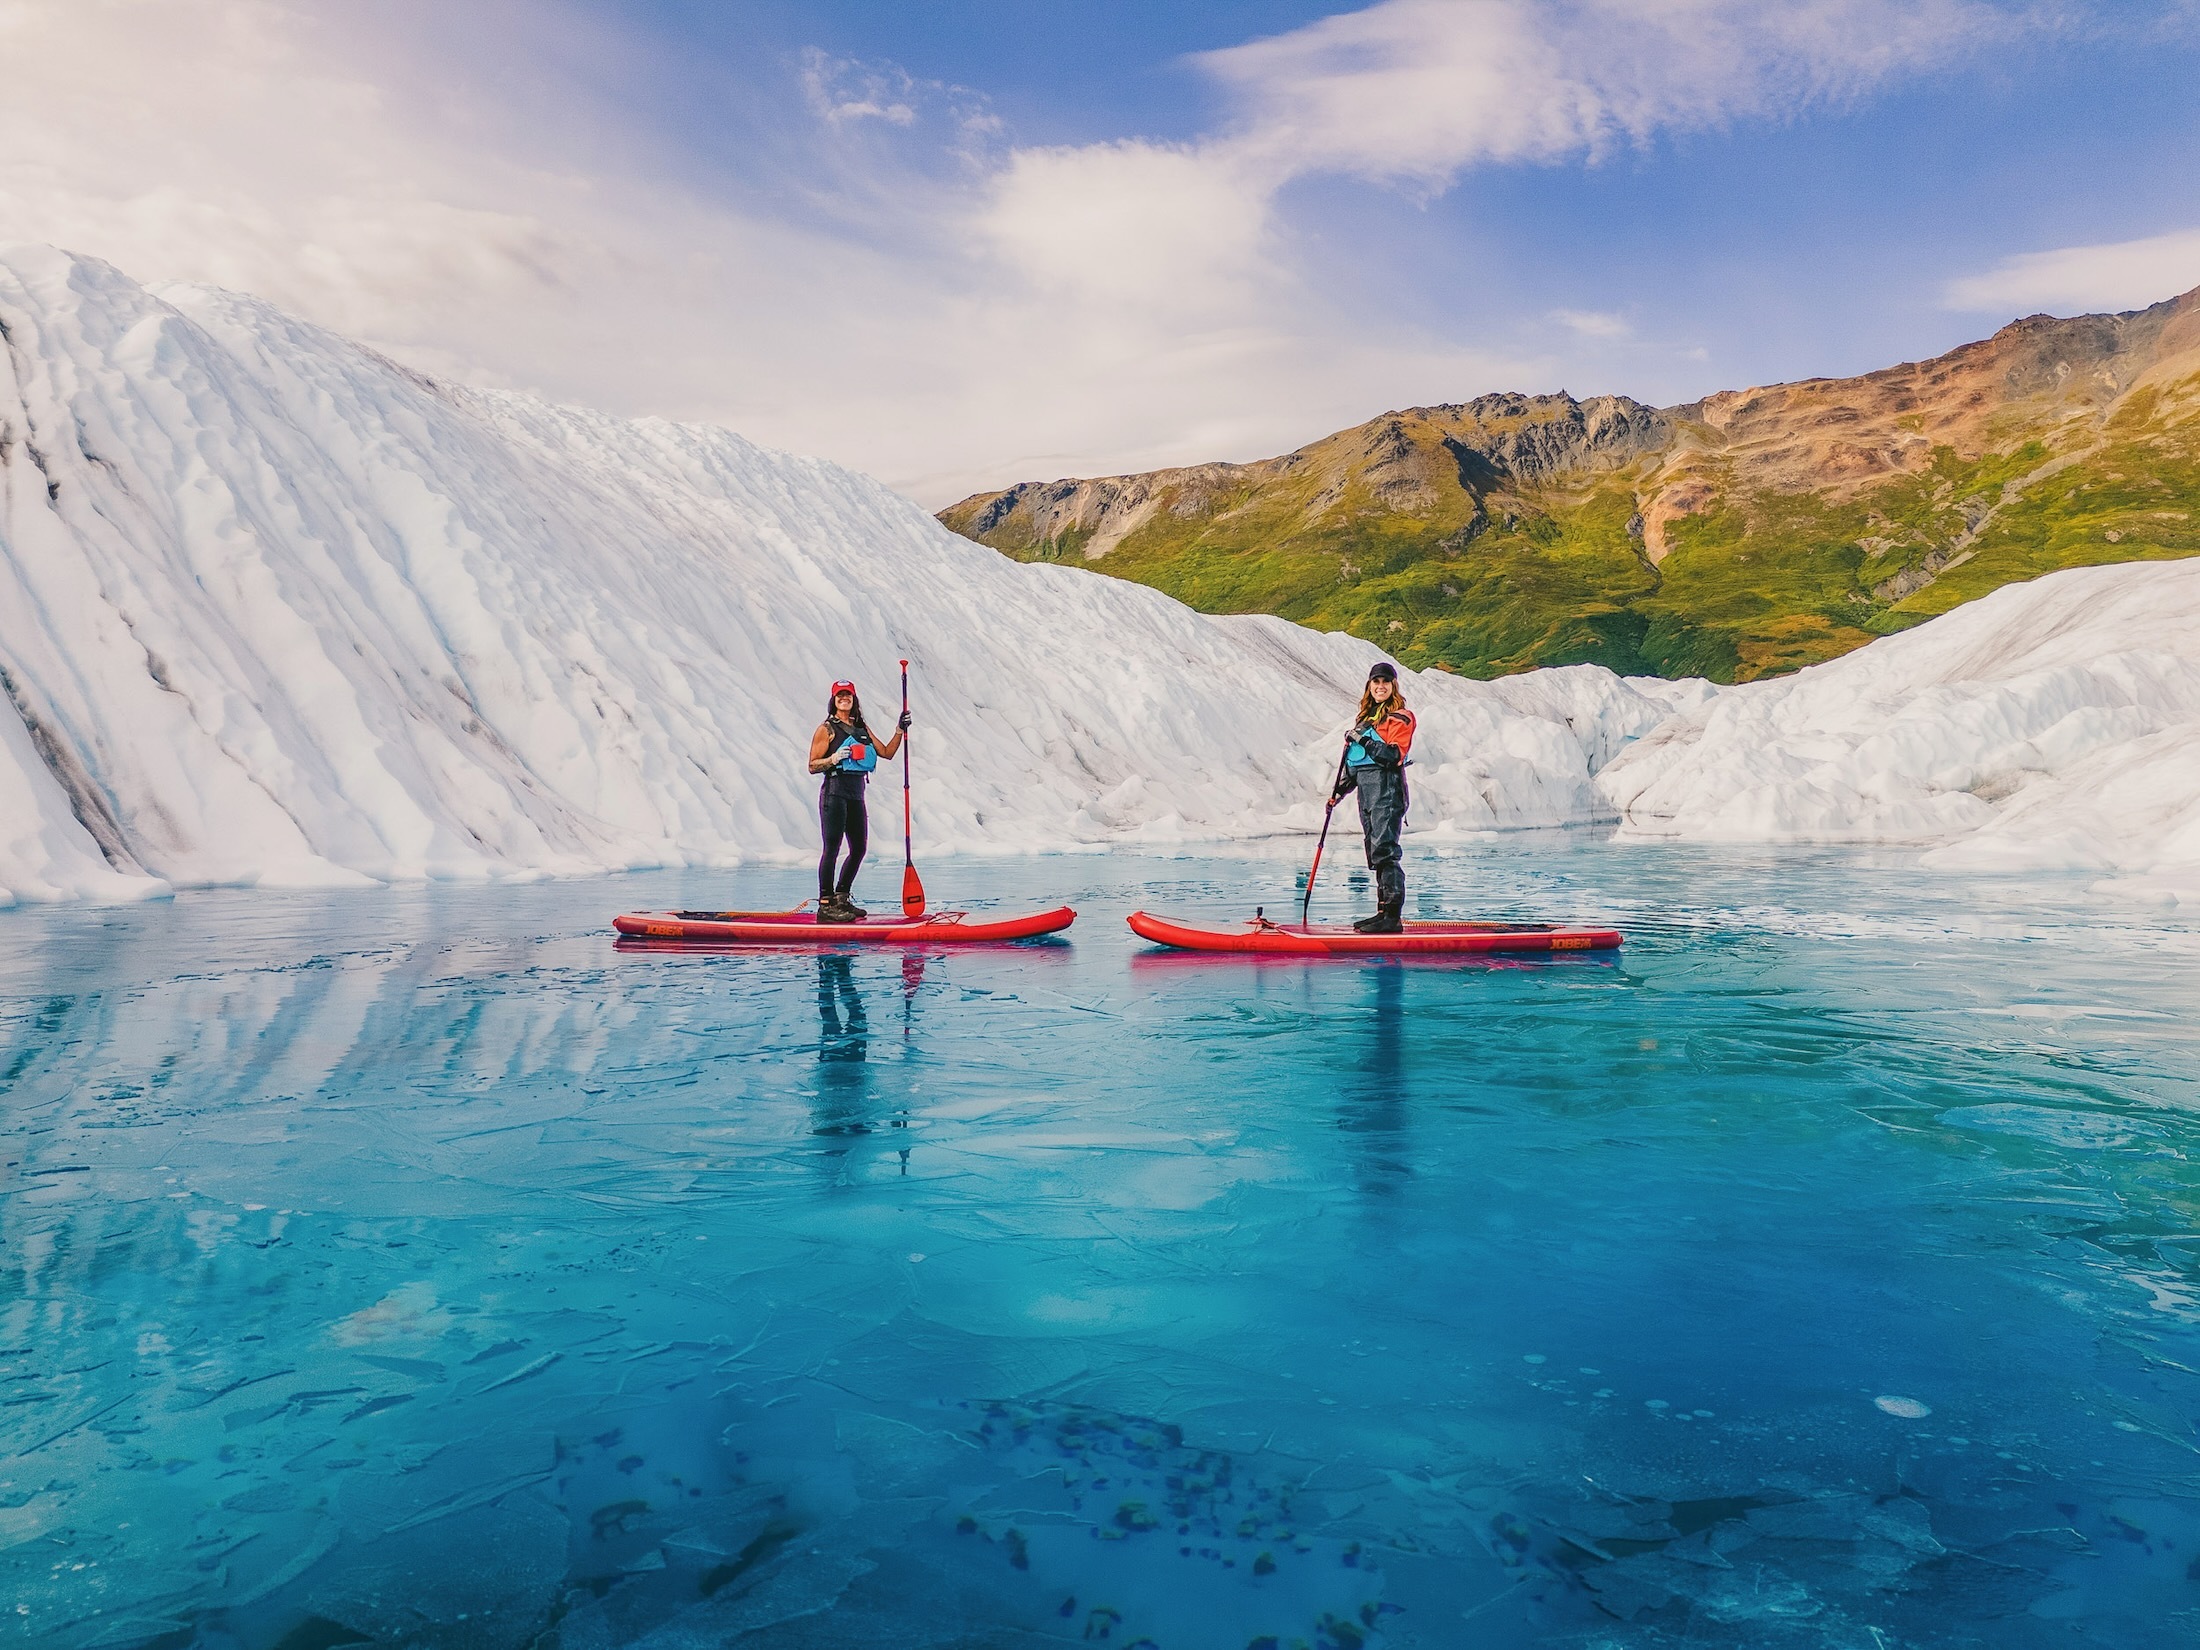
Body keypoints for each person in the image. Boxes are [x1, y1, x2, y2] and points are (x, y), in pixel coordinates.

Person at [808, 679, 909, 922]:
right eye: (840, 695)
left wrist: (899, 730)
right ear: (834, 700)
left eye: (848, 695)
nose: (845, 698)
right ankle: (825, 905)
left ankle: (842, 898)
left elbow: (886, 752)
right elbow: (812, 765)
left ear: (854, 699)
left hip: (856, 794)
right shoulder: (827, 729)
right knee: (831, 849)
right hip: (834, 792)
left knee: (859, 849)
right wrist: (834, 758)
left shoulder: (861, 728)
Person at [1330, 661, 1416, 934]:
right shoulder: (1365, 720)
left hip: (1387, 789)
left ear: (1393, 687)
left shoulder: (1401, 717)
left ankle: (1392, 917)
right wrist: (1337, 794)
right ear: (1369, 686)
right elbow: (1354, 767)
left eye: (1385, 683)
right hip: (1367, 792)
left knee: (1385, 850)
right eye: (1376, 682)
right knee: (1375, 851)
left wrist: (1364, 740)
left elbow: (1392, 755)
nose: (1380, 687)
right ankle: (1382, 913)